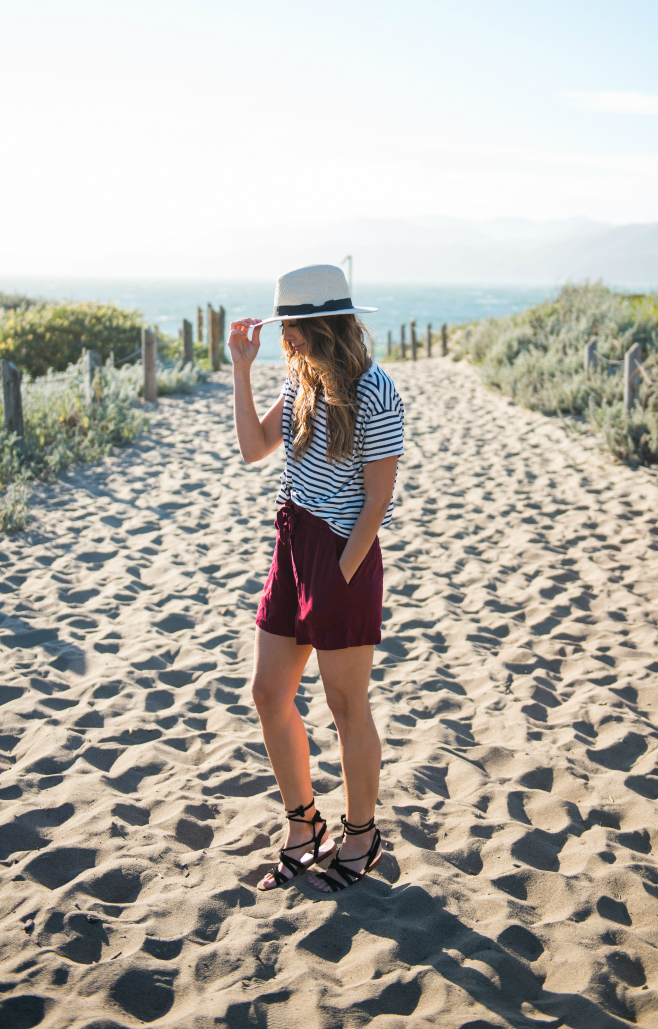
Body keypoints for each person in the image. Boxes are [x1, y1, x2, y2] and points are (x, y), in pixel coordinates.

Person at [227, 264, 404, 893]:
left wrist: (342, 572)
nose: (286, 340)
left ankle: (362, 838)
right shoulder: (299, 382)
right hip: (291, 546)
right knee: (268, 693)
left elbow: (377, 502)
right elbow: (254, 449)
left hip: (341, 556)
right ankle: (305, 829)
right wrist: (241, 373)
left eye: (293, 328)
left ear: (323, 326)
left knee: (345, 706)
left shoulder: (376, 390)